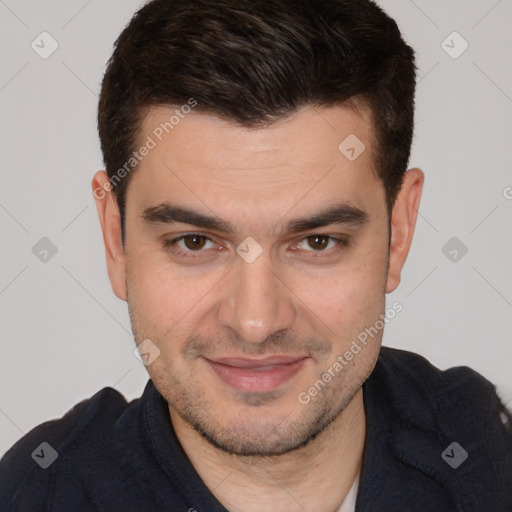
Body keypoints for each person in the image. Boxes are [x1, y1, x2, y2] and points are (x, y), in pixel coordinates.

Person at [1, 0, 510, 510]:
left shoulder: (490, 460)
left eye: (317, 241)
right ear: (116, 240)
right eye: (195, 242)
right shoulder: (32, 494)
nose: (255, 322)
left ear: (399, 231)